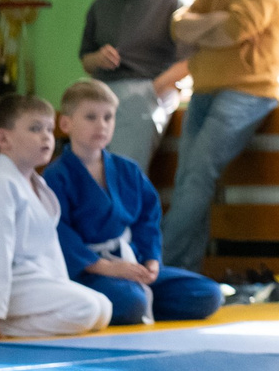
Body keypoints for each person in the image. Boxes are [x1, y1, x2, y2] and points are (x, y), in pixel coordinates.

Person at [160, 0, 279, 270]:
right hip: (204, 90)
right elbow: (177, 26)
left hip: (247, 92)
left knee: (198, 175)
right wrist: (214, 25)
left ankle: (159, 267)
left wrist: (207, 30)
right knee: (187, 178)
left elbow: (236, 29)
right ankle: (182, 273)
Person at [43, 78, 223, 325]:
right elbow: (59, 233)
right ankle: (134, 303)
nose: (101, 125)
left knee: (209, 294)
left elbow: (147, 220)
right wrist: (104, 267)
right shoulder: (56, 177)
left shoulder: (127, 170)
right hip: (87, 272)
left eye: (108, 117)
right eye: (91, 117)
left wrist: (150, 262)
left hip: (131, 264)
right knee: (131, 301)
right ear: (66, 123)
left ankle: (139, 303)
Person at [0, 94, 113, 340]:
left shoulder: (36, 184)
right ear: (3, 138)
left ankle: (4, 325)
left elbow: (48, 252)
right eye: (35, 129)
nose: (47, 137)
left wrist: (60, 286)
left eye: (49, 129)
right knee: (85, 309)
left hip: (24, 281)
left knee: (102, 308)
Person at [77, 0, 189, 171]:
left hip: (148, 90)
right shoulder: (102, 5)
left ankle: (126, 205)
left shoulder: (171, 3)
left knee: (124, 169)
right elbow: (86, 59)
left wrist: (153, 89)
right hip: (104, 91)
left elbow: (189, 61)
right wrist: (98, 58)